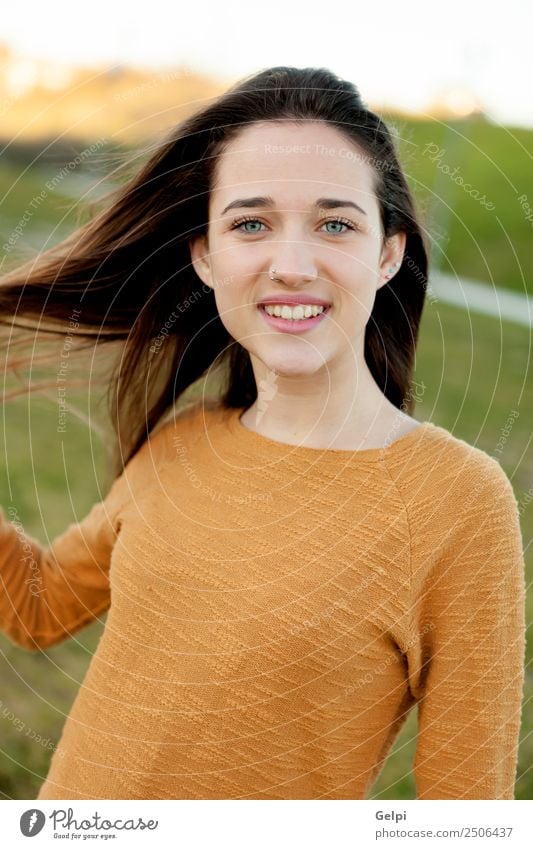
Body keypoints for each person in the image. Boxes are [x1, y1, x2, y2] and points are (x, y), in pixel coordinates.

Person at [0, 66, 526, 801]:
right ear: (205, 255)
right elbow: (38, 604)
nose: (292, 265)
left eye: (334, 224)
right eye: (250, 223)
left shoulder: (457, 500)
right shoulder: (187, 440)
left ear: (388, 252)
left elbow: (464, 811)